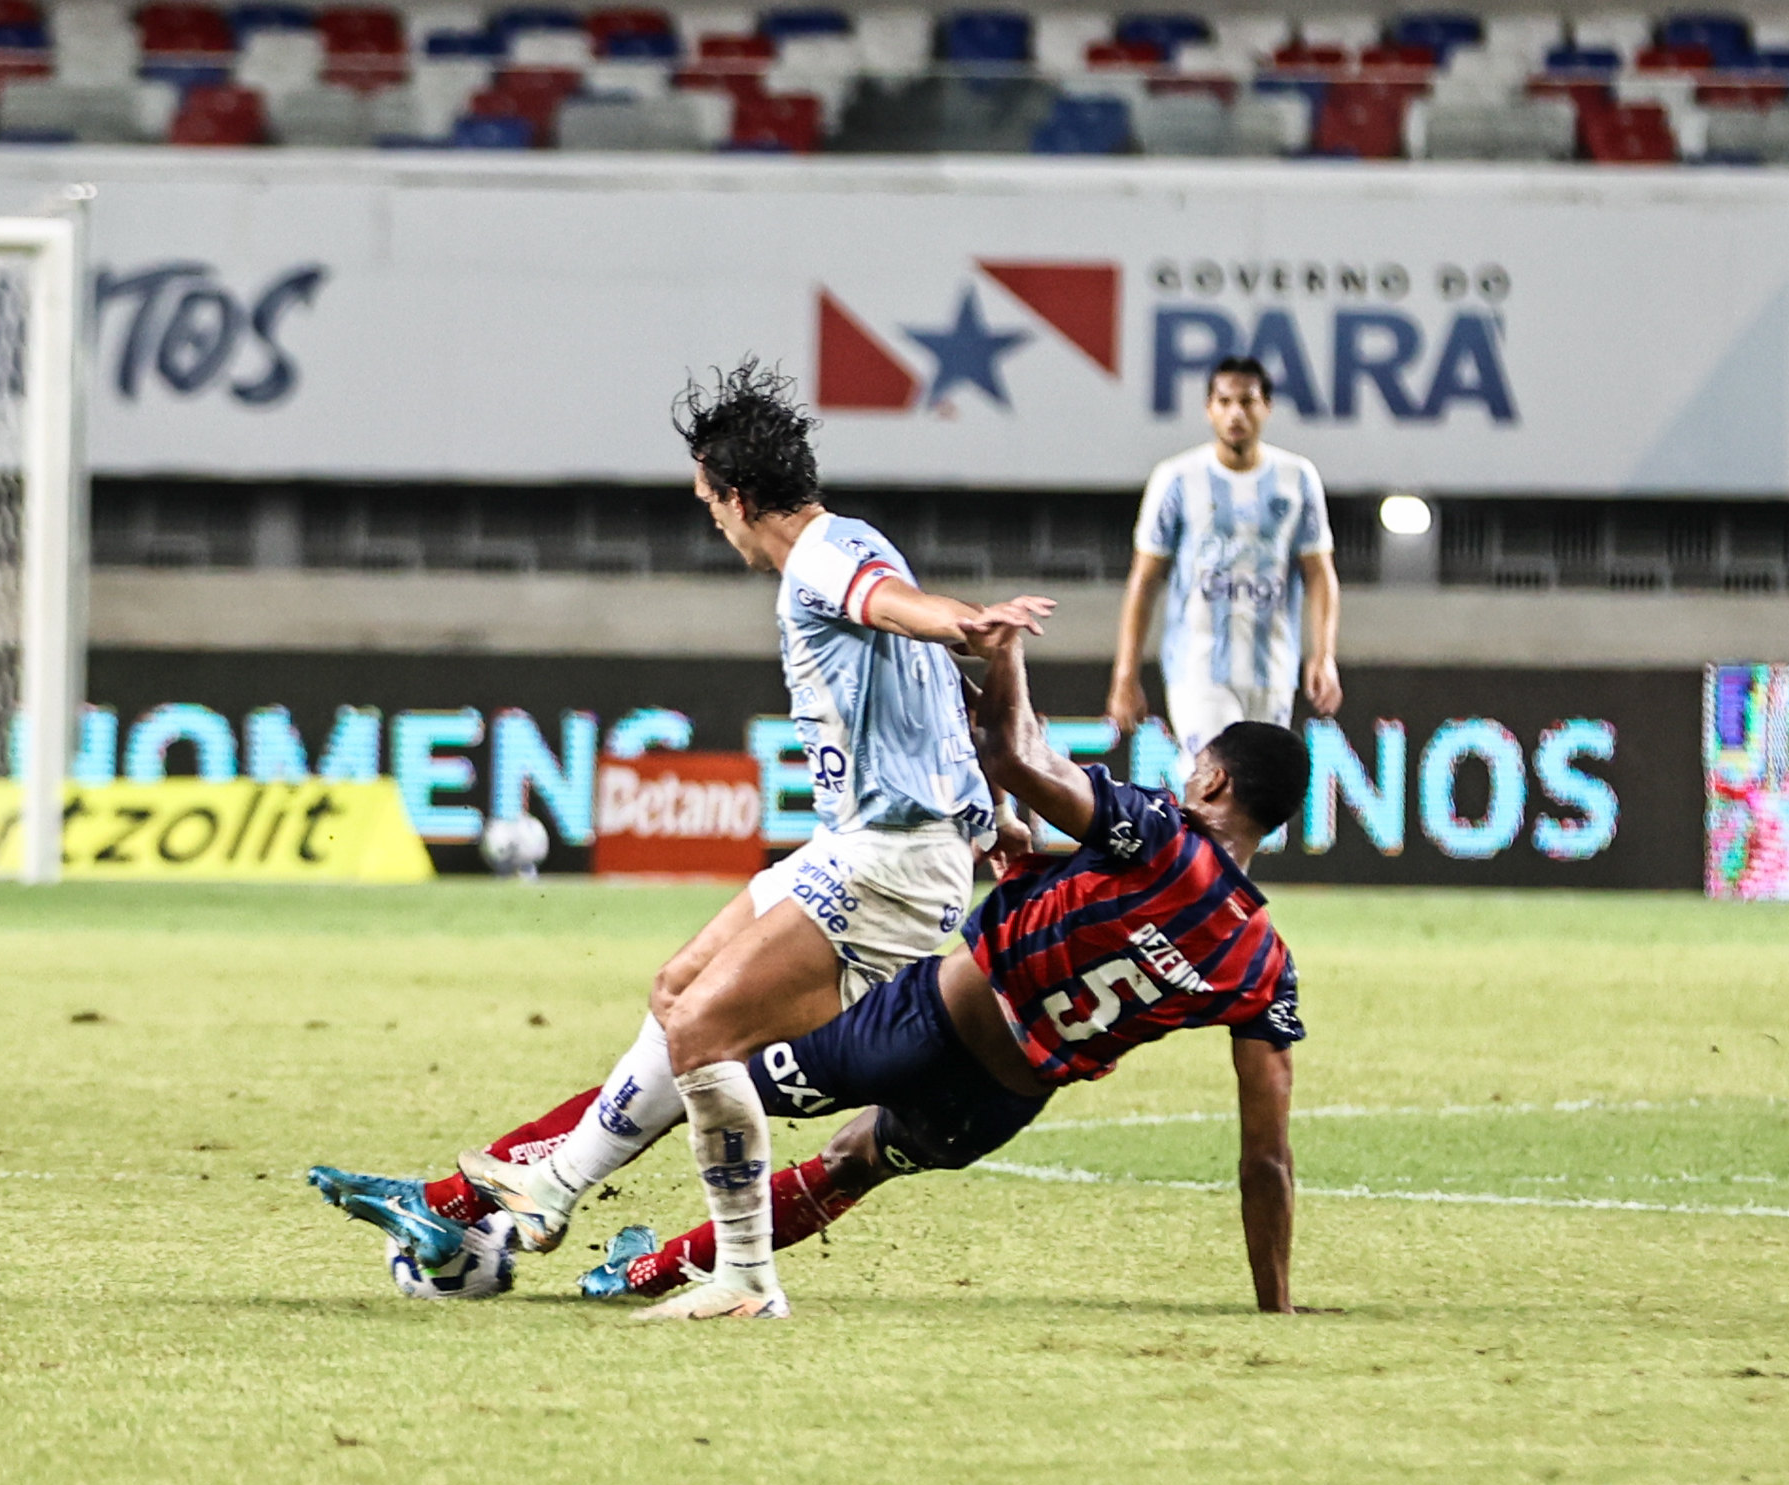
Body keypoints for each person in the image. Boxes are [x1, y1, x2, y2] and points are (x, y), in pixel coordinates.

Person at [310, 360, 1052, 1321]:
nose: (712, 519)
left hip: (892, 864)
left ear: (740, 496)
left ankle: (745, 1277)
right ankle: (553, 1190)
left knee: (705, 1030)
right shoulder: (865, 538)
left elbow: (888, 605)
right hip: (867, 839)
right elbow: (930, 696)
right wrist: (991, 814)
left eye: (710, 500)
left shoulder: (826, 562)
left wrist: (964, 619)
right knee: (675, 990)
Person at [316, 625, 1320, 1316]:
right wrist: (1272, 1306)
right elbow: (1265, 1157)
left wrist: (1002, 664)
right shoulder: (1261, 964)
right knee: (846, 1166)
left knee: (691, 1057)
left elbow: (1016, 760)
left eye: (1194, 762)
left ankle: (455, 1203)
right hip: (1002, 1100)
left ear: (1210, 778)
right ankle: (645, 1275)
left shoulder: (1153, 831)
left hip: (914, 1023)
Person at [1105, 355, 1342, 763]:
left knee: (1254, 797)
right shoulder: (1177, 479)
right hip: (1198, 668)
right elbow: (1145, 580)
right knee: (1219, 775)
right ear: (1209, 408)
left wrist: (1323, 655)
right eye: (1224, 401)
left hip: (1272, 670)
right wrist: (1126, 672)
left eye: (1247, 402)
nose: (1235, 413)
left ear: (1266, 407)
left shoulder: (1297, 478)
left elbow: (1319, 574)